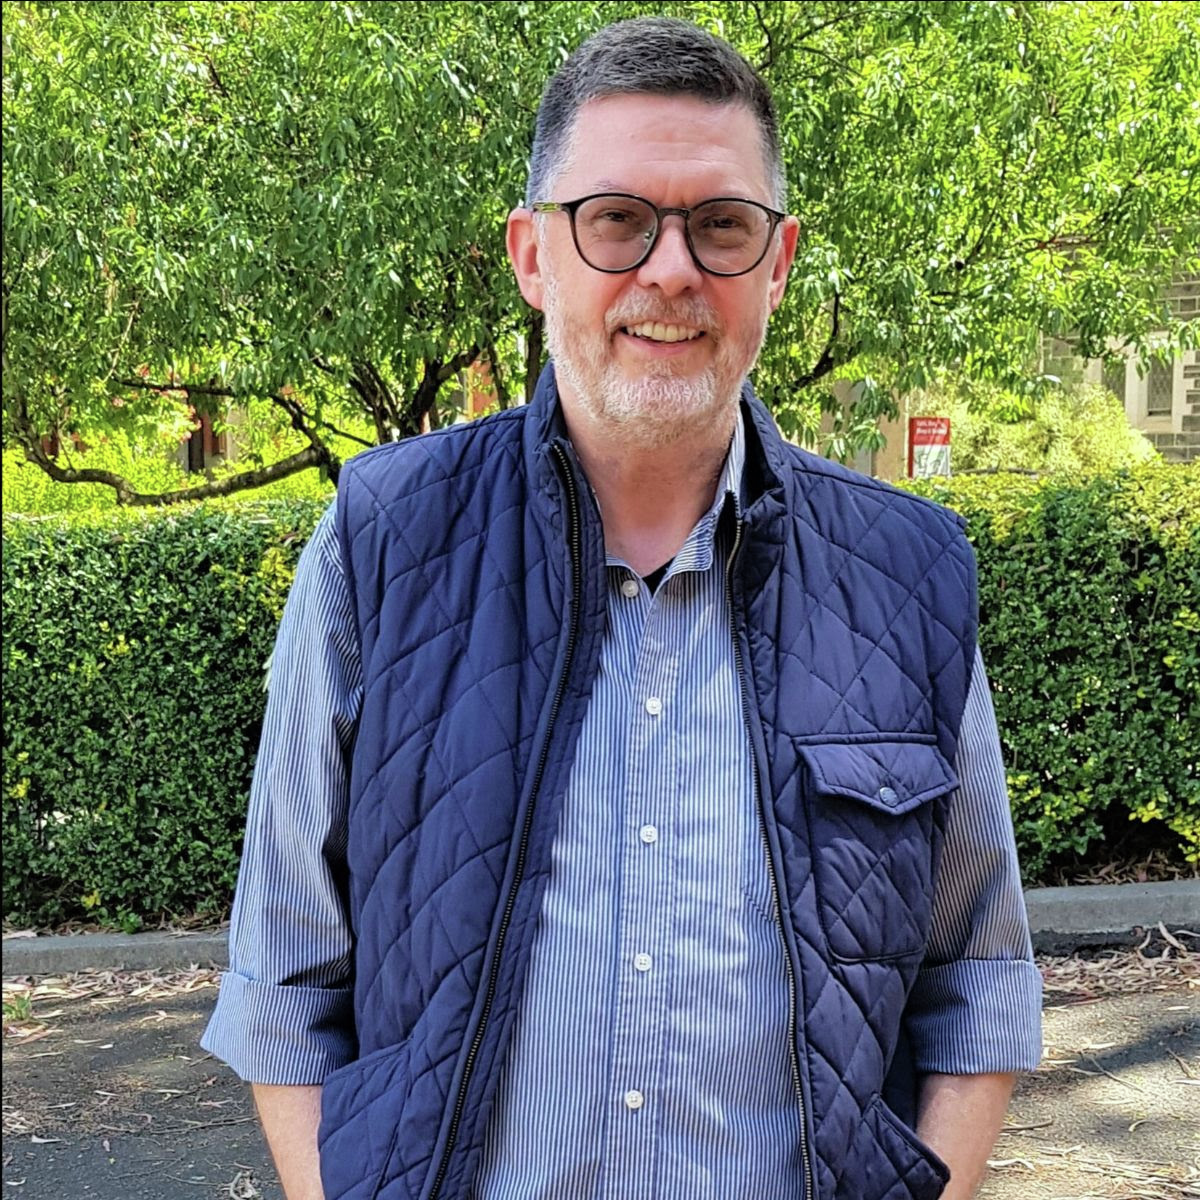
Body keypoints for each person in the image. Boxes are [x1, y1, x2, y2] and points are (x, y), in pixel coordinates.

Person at [203, 17, 1042, 1200]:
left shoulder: (904, 573)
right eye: (616, 220)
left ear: (778, 262)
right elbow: (285, 981)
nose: (671, 270)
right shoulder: (382, 544)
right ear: (533, 255)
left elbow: (979, 980)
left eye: (722, 225)